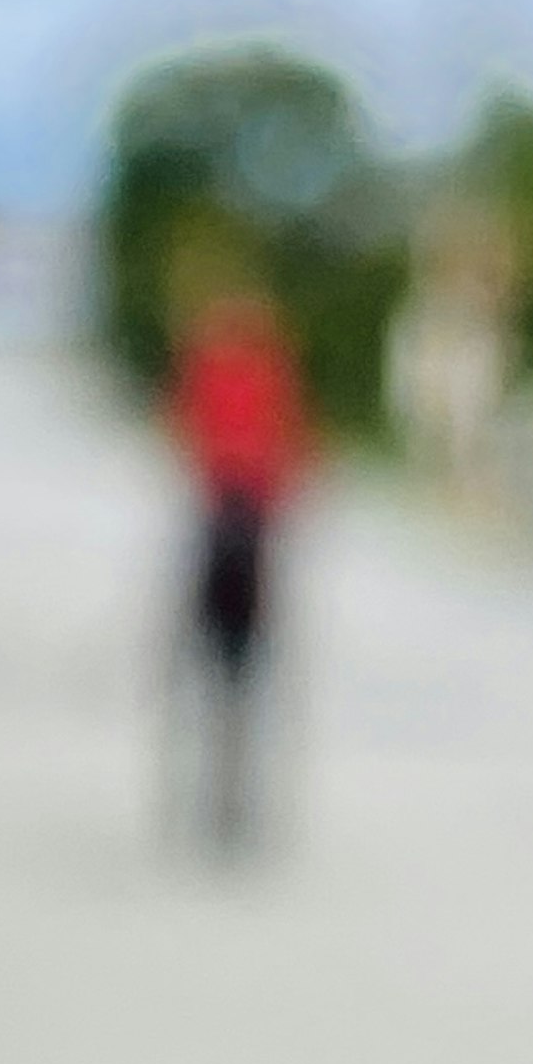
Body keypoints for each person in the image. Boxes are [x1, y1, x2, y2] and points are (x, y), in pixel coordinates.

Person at [164, 274, 312, 852]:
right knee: (236, 658)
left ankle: (227, 785)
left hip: (239, 519)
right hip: (237, 518)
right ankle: (226, 785)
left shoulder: (241, 366)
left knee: (227, 656)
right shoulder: (247, 366)